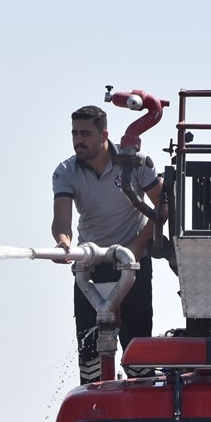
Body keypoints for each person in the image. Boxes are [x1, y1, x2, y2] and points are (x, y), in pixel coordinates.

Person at [52, 105, 163, 384]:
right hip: (90, 265)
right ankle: (92, 400)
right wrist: (63, 243)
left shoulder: (136, 162)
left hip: (132, 263)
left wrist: (138, 245)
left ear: (104, 135)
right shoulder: (65, 171)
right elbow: (61, 220)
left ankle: (142, 403)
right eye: (75, 133)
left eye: (86, 133)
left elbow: (165, 205)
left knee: (137, 347)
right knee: (88, 349)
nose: (79, 139)